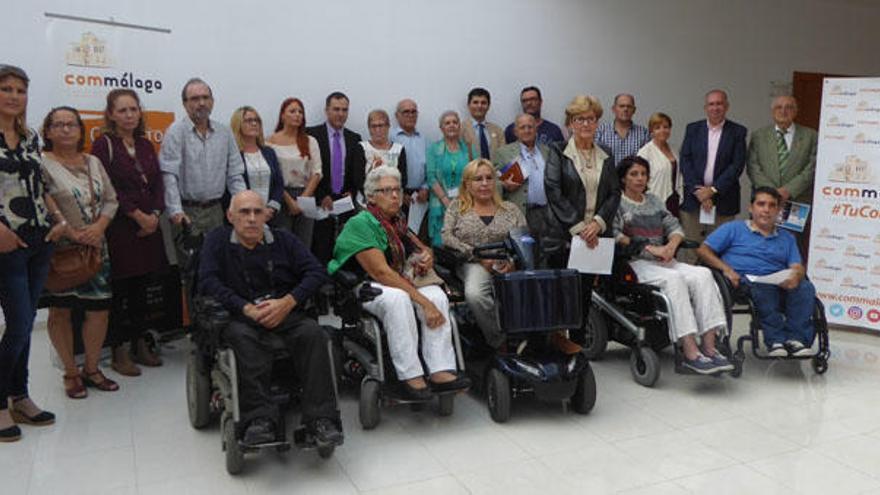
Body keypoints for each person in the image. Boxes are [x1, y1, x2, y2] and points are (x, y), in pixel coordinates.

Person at [199, 190, 343, 446]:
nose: (252, 218)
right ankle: (259, 420)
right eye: (244, 212)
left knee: (313, 333)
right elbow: (208, 281)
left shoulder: (284, 239)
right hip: (240, 317)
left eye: (258, 211)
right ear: (230, 216)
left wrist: (288, 302)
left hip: (284, 312)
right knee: (243, 338)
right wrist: (244, 307)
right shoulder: (217, 241)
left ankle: (321, 420)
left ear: (267, 214)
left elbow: (315, 271)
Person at [329, 167, 470, 400]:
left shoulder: (397, 221)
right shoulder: (361, 223)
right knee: (400, 299)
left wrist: (427, 257)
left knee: (437, 295)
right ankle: (410, 375)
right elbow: (381, 273)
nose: (395, 195)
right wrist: (423, 302)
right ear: (371, 196)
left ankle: (439, 369)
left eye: (397, 190)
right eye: (386, 191)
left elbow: (423, 248)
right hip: (367, 285)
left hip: (401, 279)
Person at [613, 157, 732, 374]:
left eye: (643, 174)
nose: (640, 178)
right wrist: (651, 249)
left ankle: (710, 346)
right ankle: (689, 350)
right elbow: (616, 235)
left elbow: (674, 225)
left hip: (665, 259)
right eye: (634, 174)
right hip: (637, 263)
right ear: (623, 178)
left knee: (704, 274)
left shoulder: (654, 200)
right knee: (675, 280)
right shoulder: (617, 203)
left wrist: (671, 245)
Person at [0, 65, 65, 442]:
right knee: (21, 323)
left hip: (40, 240)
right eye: (6, 89)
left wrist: (57, 220)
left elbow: (39, 184)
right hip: (6, 245)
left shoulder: (29, 136)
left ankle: (20, 396)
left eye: (20, 90)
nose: (13, 96)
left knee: (23, 327)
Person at [41, 107, 120, 398]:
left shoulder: (94, 162)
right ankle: (70, 373)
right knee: (60, 311)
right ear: (47, 131)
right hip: (59, 252)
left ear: (80, 130)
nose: (65, 130)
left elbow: (111, 200)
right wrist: (72, 232)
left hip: (96, 250)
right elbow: (40, 203)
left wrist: (99, 227)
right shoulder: (41, 164)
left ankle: (91, 368)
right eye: (57, 124)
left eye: (71, 124)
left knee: (98, 310)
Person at [92, 89, 168, 377]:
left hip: (150, 228)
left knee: (142, 289)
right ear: (111, 114)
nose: (129, 115)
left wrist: (155, 216)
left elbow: (158, 183)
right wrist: (137, 215)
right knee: (120, 291)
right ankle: (118, 351)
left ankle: (139, 343)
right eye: (122, 110)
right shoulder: (104, 145)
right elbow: (108, 187)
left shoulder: (145, 145)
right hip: (122, 229)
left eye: (133, 109)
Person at [697, 187, 816, 357]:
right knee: (763, 287)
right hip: (744, 281)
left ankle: (796, 340)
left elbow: (797, 265)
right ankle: (775, 341)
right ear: (751, 208)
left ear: (778, 210)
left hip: (779, 280)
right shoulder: (733, 228)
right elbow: (703, 250)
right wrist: (727, 269)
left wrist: (795, 276)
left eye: (772, 205)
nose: (766, 210)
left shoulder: (787, 237)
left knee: (805, 288)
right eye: (761, 204)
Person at [441, 159, 526, 348]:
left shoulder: (510, 209)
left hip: (506, 261)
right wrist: (478, 256)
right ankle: (501, 342)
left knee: (528, 288)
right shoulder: (457, 207)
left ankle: (531, 338)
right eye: (478, 179)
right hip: (472, 262)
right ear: (467, 184)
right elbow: (447, 238)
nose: (485, 183)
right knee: (475, 294)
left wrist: (512, 261)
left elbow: (524, 238)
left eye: (489, 178)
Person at [159, 78, 246, 262]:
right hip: (187, 213)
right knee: (190, 269)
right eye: (195, 98)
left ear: (212, 101)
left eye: (206, 97)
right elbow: (169, 175)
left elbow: (235, 174)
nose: (201, 103)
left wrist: (243, 205)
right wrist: (175, 210)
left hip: (216, 211)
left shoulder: (224, 132)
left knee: (219, 264)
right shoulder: (175, 132)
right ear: (185, 104)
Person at [544, 95, 620, 268]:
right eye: (580, 119)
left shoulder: (606, 153)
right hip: (564, 236)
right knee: (565, 292)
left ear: (597, 123)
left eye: (591, 119)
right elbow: (553, 191)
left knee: (588, 292)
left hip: (598, 234)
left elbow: (614, 193)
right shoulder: (557, 150)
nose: (586, 124)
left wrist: (597, 223)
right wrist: (580, 228)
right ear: (570, 124)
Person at [678, 89, 747, 262]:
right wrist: (700, 192)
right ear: (705, 107)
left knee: (719, 250)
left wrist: (713, 190)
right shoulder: (693, 129)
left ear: (727, 107)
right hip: (694, 200)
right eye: (711, 104)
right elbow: (685, 160)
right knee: (691, 248)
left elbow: (736, 166)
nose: (715, 108)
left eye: (719, 103)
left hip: (724, 199)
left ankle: (716, 287)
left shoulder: (738, 131)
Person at [746, 95, 818, 261]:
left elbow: (812, 167)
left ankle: (791, 284)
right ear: (772, 111)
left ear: (796, 111)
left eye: (789, 107)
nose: (783, 111)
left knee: (793, 250)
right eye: (779, 107)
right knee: (760, 246)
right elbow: (753, 166)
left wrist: (788, 190)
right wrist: (772, 194)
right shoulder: (758, 135)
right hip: (765, 203)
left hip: (796, 203)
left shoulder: (810, 136)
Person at [306, 92, 366, 264]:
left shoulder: (355, 138)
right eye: (336, 109)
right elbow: (309, 171)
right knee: (320, 250)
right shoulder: (312, 135)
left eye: (344, 110)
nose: (340, 114)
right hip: (320, 202)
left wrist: (352, 192)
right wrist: (321, 195)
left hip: (345, 203)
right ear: (327, 110)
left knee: (345, 252)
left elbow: (357, 172)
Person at [266, 97, 322, 247]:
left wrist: (302, 200)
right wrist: (290, 201)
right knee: (281, 243)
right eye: (292, 111)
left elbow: (317, 172)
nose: (297, 114)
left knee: (303, 244)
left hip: (306, 194)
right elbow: (272, 175)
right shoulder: (270, 141)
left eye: (300, 112)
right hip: (281, 195)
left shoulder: (310, 141)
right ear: (282, 115)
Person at [492, 113, 550, 240]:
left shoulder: (547, 151)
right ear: (515, 131)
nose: (527, 130)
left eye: (530, 127)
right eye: (522, 127)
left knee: (546, 254)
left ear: (536, 129)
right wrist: (504, 185)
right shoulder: (503, 153)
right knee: (524, 253)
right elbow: (492, 183)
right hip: (519, 213)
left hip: (546, 213)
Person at [426, 110, 472, 247]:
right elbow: (431, 177)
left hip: (466, 203)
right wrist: (446, 200)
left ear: (459, 126)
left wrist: (462, 200)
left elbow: (475, 174)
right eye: (447, 123)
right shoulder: (434, 149)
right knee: (442, 244)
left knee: (464, 243)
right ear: (441, 128)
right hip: (440, 205)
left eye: (455, 122)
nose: (451, 125)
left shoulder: (468, 149)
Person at [229, 106, 285, 217]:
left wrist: (271, 208)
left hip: (270, 214)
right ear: (238, 124)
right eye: (249, 121)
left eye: (257, 120)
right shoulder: (233, 154)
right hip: (244, 215)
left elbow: (279, 183)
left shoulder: (269, 152)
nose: (254, 124)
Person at [391, 98, 429, 238]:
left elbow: (431, 169)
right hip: (398, 194)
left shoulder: (425, 139)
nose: (410, 115)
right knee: (398, 236)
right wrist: (400, 193)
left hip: (421, 196)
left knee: (419, 237)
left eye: (413, 112)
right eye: (406, 112)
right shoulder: (391, 138)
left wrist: (426, 188)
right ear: (397, 115)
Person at [637, 112, 682, 216]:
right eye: (657, 127)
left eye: (666, 127)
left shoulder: (675, 149)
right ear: (651, 131)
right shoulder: (645, 152)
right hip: (654, 201)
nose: (662, 130)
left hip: (674, 200)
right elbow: (638, 181)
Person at [595, 94, 650, 167]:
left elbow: (647, 162)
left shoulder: (644, 134)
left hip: (634, 177)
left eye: (629, 106)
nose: (625, 109)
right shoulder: (600, 131)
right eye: (621, 106)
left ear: (634, 110)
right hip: (607, 177)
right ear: (614, 109)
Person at [360, 109, 408, 184]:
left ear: (388, 126)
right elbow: (358, 180)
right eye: (373, 126)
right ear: (369, 128)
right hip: (368, 194)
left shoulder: (398, 149)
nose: (377, 130)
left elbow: (403, 180)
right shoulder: (362, 148)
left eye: (381, 125)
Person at [460, 87, 505, 161]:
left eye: (483, 103)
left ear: (488, 106)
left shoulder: (498, 130)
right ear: (468, 105)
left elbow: (503, 157)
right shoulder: (460, 130)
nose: (479, 106)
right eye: (475, 102)